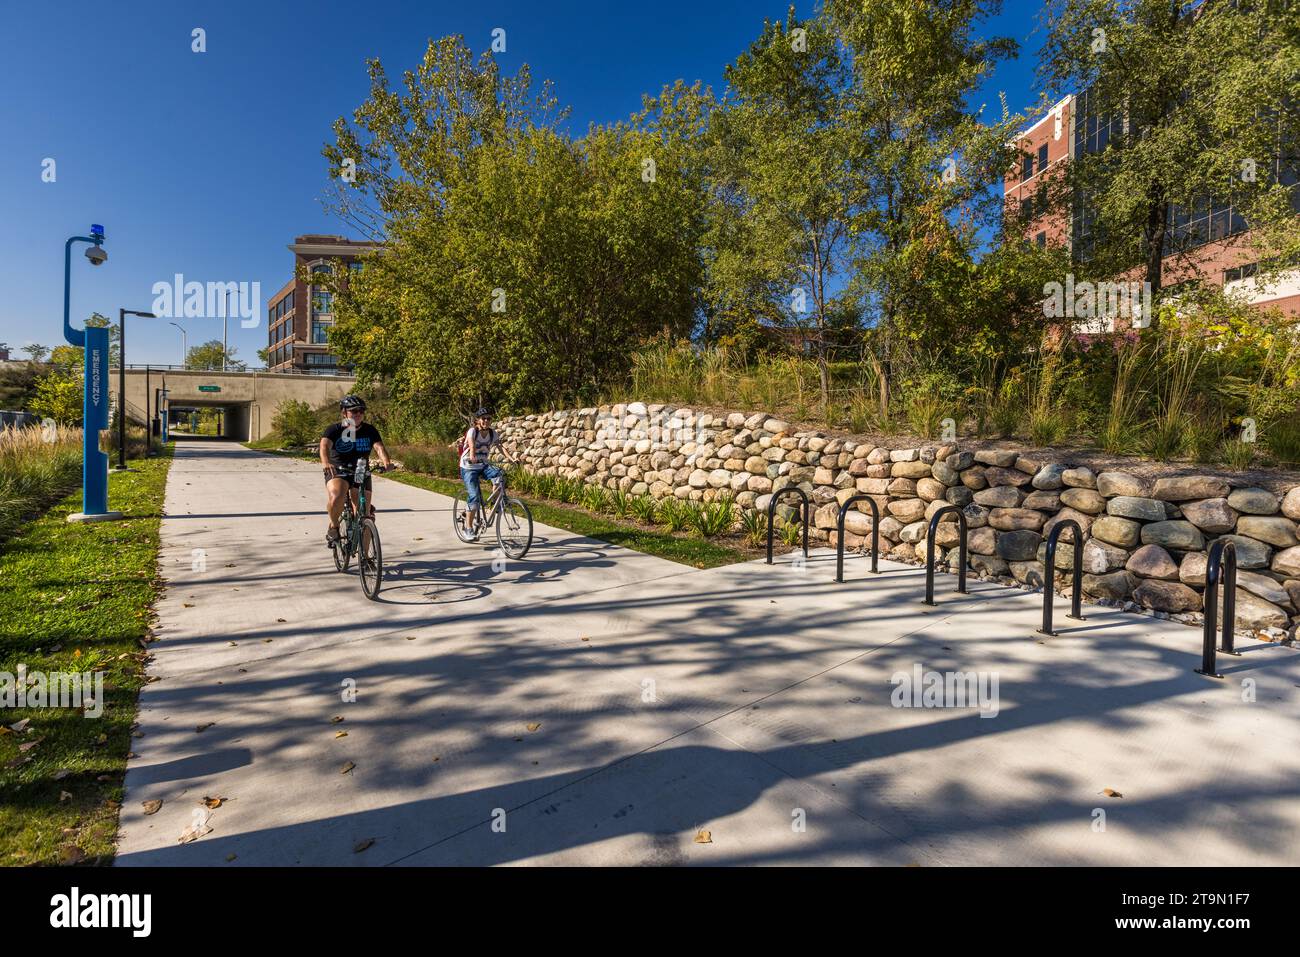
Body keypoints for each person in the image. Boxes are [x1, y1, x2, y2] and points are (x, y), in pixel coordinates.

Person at [321, 395, 394, 546]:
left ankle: (366, 559)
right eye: (354, 411)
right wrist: (326, 462)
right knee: (336, 497)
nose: (358, 414)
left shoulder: (369, 430)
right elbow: (324, 446)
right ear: (344, 413)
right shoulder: (334, 429)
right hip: (338, 469)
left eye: (361, 410)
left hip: (361, 471)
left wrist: (386, 462)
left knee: (364, 516)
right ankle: (334, 526)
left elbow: (379, 447)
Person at [458, 407, 504, 535]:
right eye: (483, 418)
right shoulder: (473, 431)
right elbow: (472, 445)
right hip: (468, 467)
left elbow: (500, 446)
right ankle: (468, 528)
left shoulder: (492, 433)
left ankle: (495, 503)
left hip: (482, 465)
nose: (486, 421)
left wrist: (512, 458)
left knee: (499, 476)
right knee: (474, 497)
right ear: (478, 420)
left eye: (489, 418)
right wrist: (472, 456)